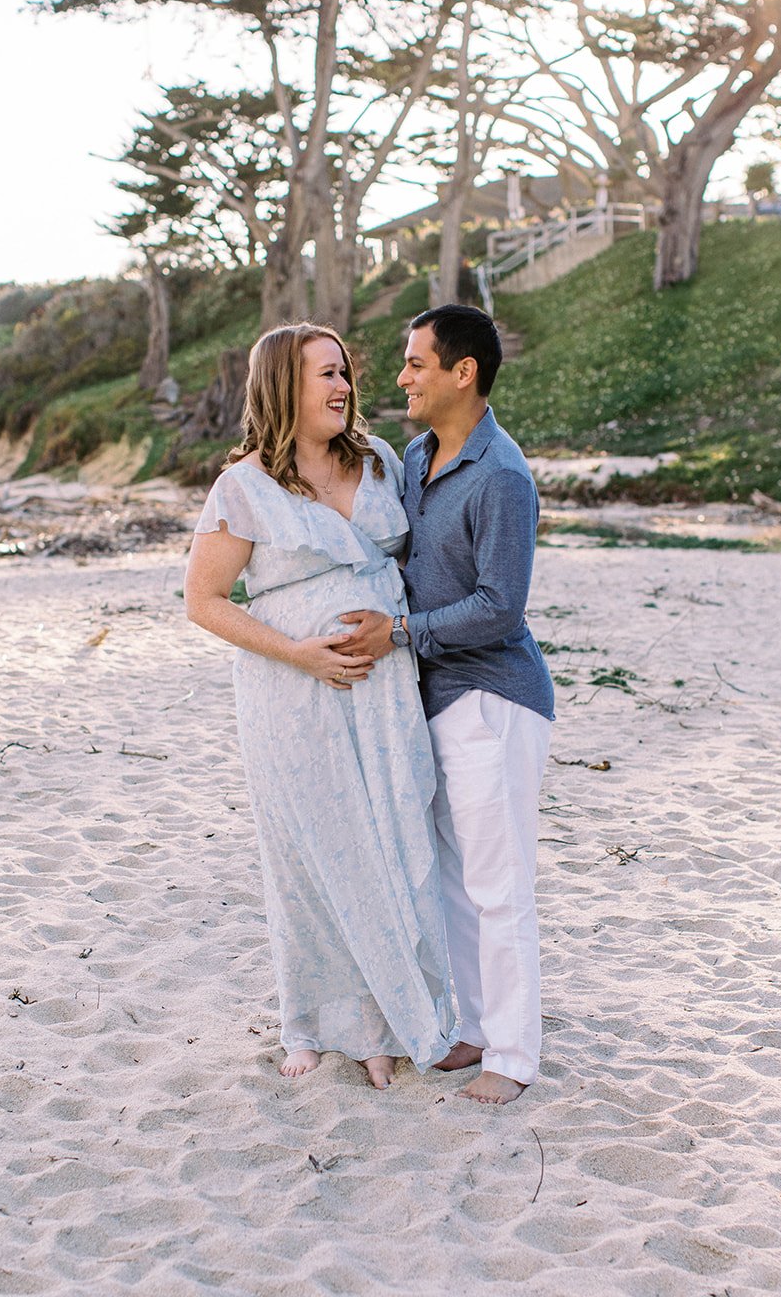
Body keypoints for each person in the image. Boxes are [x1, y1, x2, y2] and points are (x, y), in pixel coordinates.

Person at [184, 322, 455, 1090]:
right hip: (291, 693)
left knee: (395, 842)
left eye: (343, 372)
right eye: (323, 376)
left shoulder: (378, 462)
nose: (342, 387)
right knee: (316, 852)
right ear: (281, 388)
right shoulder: (242, 486)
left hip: (384, 689)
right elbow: (203, 602)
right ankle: (316, 1019)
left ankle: (392, 1015)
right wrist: (299, 652)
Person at [340, 305, 554, 1105]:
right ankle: (473, 1030)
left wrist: (395, 633)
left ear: (462, 372)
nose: (401, 378)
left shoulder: (502, 475)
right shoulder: (418, 454)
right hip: (432, 698)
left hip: (493, 700)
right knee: (455, 882)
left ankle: (514, 1055)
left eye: (415, 363)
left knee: (498, 885)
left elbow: (500, 606)